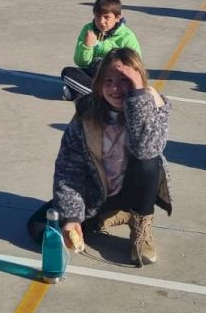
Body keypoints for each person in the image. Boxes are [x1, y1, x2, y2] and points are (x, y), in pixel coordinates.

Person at [48, 48, 172, 266]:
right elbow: (68, 170)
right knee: (43, 229)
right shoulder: (86, 114)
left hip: (135, 190)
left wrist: (137, 96)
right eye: (109, 81)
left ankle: (140, 223)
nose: (116, 88)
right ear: (99, 83)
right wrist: (72, 217)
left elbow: (145, 150)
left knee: (149, 163)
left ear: (138, 80)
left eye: (125, 80)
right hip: (99, 193)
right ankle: (115, 213)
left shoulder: (154, 105)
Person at [60, 0, 141, 101]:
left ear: (117, 18)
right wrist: (87, 46)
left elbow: (135, 66)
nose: (101, 21)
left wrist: (116, 67)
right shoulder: (88, 30)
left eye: (106, 17)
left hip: (116, 79)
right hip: (95, 75)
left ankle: (88, 94)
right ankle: (100, 95)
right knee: (67, 73)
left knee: (128, 84)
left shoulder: (127, 37)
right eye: (98, 16)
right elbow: (81, 63)